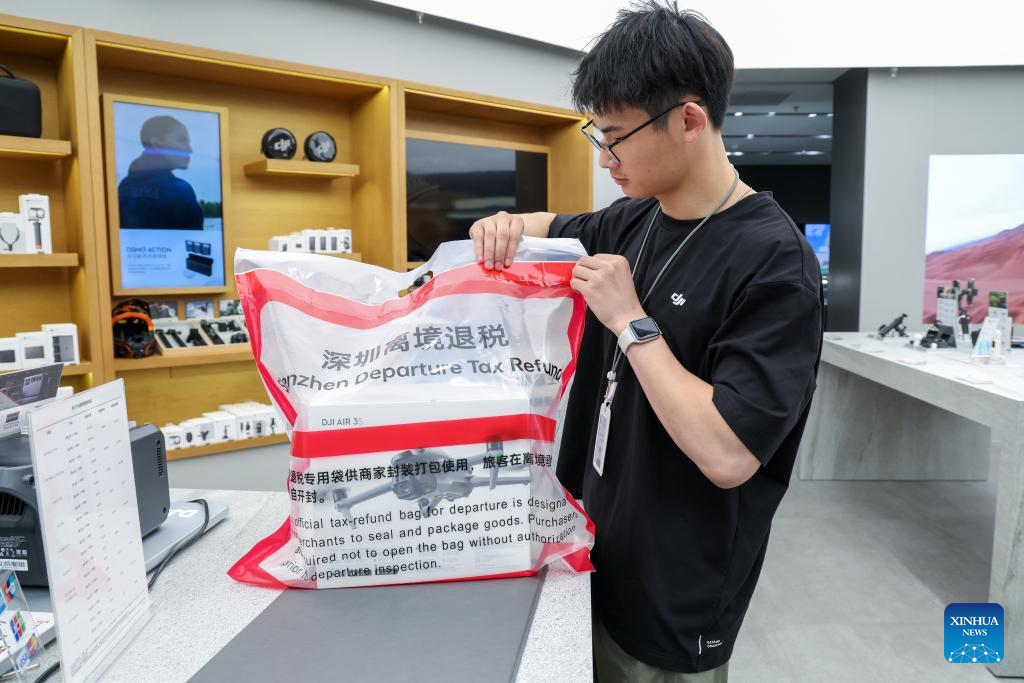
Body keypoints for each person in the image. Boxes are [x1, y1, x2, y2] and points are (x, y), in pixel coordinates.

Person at [468, 3, 823, 681]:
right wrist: (506, 224)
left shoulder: (774, 260)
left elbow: (729, 453)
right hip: (589, 552)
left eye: (616, 137)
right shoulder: (633, 219)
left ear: (689, 120)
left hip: (673, 595)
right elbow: (546, 224)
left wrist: (631, 323)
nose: (605, 158)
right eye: (596, 135)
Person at [118, 114, 205, 230]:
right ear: (156, 143)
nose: (189, 149)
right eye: (182, 140)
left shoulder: (124, 185)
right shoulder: (178, 189)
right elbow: (193, 238)